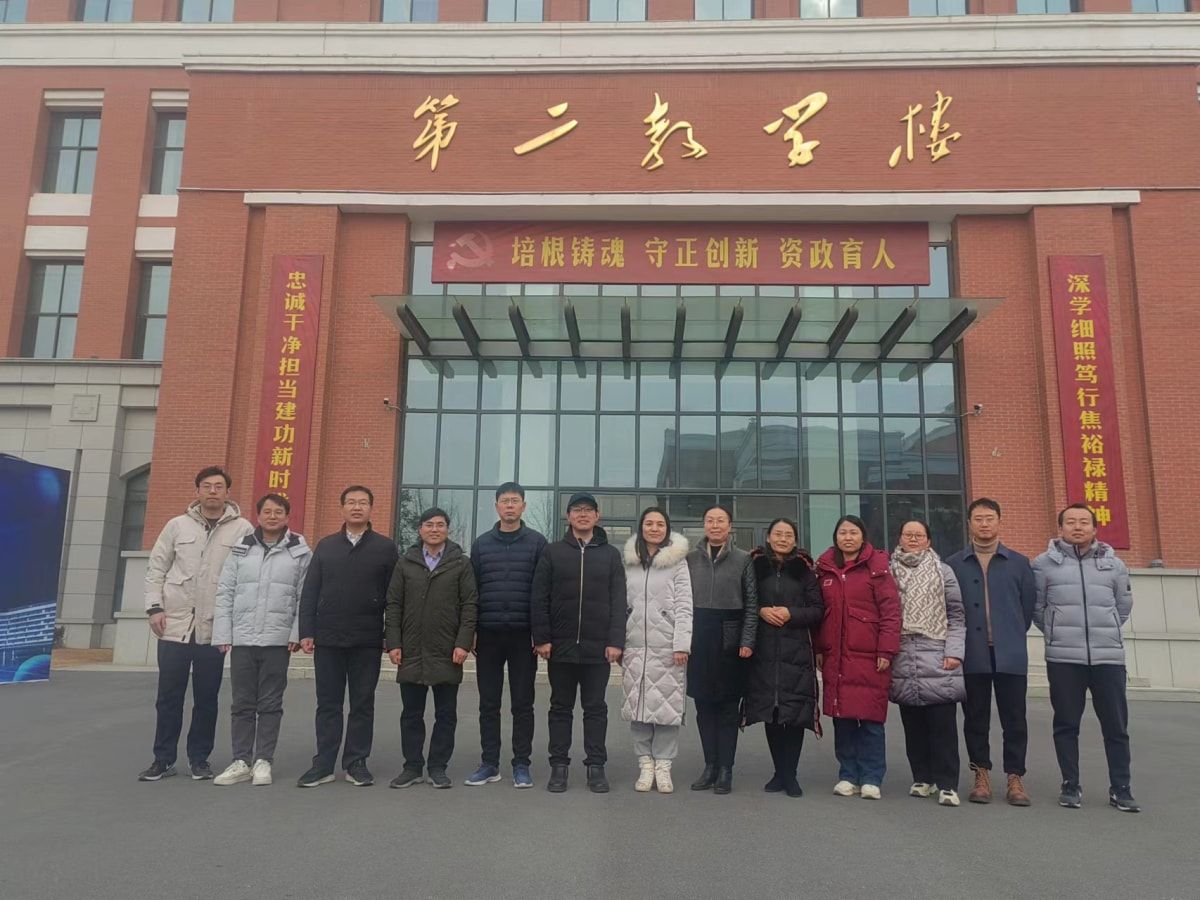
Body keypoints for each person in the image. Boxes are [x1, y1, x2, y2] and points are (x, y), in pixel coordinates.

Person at [138, 466, 253, 782]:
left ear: (227, 492)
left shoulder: (242, 529)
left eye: (219, 486)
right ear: (198, 491)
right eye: (207, 486)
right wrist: (154, 608)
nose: (213, 491)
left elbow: (246, 576)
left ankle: (200, 759)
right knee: (168, 697)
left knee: (207, 698)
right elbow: (156, 568)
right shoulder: (176, 526)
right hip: (174, 624)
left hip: (213, 627)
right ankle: (163, 759)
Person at [1033, 503, 1139, 813]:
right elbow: (1037, 608)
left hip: (1108, 657)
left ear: (1094, 528)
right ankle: (1070, 784)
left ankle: (1121, 788)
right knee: (1066, 724)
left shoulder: (1114, 565)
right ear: (1060, 529)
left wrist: (1105, 629)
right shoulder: (1043, 565)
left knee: (1116, 727)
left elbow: (1123, 606)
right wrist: (1056, 632)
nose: (1077, 527)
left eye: (1083, 522)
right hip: (1064, 658)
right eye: (1070, 522)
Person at [296, 485, 399, 789]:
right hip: (328, 638)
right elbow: (310, 591)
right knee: (328, 703)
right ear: (342, 508)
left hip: (367, 639)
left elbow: (395, 597)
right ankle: (324, 764)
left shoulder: (385, 548)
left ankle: (356, 762)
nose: (356, 507)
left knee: (362, 703)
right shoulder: (326, 546)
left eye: (362, 502)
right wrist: (306, 631)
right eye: (351, 502)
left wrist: (391, 636)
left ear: (371, 509)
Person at [211, 493, 311, 787]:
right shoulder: (241, 548)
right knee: (242, 703)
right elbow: (225, 591)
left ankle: (263, 760)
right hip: (243, 638)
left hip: (278, 640)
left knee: (270, 703)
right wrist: (223, 633)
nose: (272, 516)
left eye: (278, 511)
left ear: (287, 517)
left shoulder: (300, 550)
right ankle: (241, 760)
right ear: (258, 516)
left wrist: (296, 633)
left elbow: (304, 596)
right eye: (267, 511)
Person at [531, 492, 626, 794]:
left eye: (588, 510)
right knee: (560, 708)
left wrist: (616, 641)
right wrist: (542, 638)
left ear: (597, 516)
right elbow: (539, 598)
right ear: (568, 516)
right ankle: (559, 766)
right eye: (576, 510)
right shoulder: (552, 552)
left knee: (595, 708)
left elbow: (619, 600)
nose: (582, 514)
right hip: (560, 647)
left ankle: (596, 766)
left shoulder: (610, 555)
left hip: (598, 649)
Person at [946, 498, 1037, 806]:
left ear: (999, 521)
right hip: (972, 653)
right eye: (978, 519)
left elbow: (1027, 609)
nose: (984, 524)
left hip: (1010, 653)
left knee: (1015, 719)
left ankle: (1015, 777)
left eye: (989, 518)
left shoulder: (1019, 563)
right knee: (975, 718)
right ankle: (981, 774)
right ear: (969, 523)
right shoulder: (955, 564)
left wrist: (1009, 632)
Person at [385, 507, 478, 789]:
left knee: (445, 714)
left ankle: (438, 767)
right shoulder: (405, 563)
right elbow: (394, 604)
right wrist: (393, 642)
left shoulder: (460, 563)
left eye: (440, 525)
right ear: (420, 530)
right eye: (429, 525)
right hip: (411, 649)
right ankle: (412, 766)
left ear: (447, 530)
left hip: (447, 650)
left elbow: (470, 605)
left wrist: (463, 642)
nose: (434, 529)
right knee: (411, 714)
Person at [465, 482, 547, 789]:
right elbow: (471, 592)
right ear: (496, 506)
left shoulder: (537, 543)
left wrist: (540, 633)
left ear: (523, 506)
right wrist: (471, 631)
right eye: (504, 501)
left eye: (515, 501)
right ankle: (489, 763)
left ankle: (521, 764)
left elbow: (542, 592)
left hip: (523, 636)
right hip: (488, 635)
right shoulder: (481, 544)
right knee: (489, 703)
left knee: (523, 703)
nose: (510, 506)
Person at [814, 515, 900, 800]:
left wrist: (886, 650)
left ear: (863, 537)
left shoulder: (877, 568)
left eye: (853, 532)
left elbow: (891, 612)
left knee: (871, 720)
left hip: (870, 656)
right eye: (843, 533)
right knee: (843, 719)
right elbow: (819, 616)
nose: (848, 537)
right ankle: (848, 774)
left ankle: (872, 777)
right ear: (835, 537)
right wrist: (818, 649)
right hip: (836, 657)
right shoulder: (825, 570)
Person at [743, 518, 824, 799]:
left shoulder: (805, 570)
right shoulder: (755, 567)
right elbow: (744, 601)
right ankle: (779, 772)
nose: (783, 538)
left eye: (788, 535)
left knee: (794, 713)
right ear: (768, 537)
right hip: (763, 650)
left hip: (796, 651)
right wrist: (761, 611)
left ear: (795, 540)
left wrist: (791, 614)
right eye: (778, 534)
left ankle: (790, 774)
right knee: (773, 713)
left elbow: (817, 609)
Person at [889, 520, 967, 807]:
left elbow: (956, 614)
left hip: (937, 652)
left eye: (919, 535)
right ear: (900, 538)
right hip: (902, 652)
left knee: (942, 723)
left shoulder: (943, 571)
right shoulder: (888, 571)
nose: (913, 539)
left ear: (928, 541)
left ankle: (947, 784)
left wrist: (955, 652)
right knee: (913, 723)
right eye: (908, 534)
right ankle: (922, 777)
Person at [685, 504, 758, 795]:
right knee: (703, 707)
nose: (715, 525)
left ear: (730, 526)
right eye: (710, 520)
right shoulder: (690, 558)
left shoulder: (743, 559)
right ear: (704, 525)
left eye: (721, 521)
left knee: (728, 708)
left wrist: (747, 641)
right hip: (699, 638)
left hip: (731, 639)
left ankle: (726, 768)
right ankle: (710, 766)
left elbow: (752, 605)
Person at [620, 507, 693, 794]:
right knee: (637, 708)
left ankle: (663, 765)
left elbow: (685, 606)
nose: (654, 528)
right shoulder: (630, 561)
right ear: (641, 527)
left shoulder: (677, 563)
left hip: (668, 648)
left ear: (667, 528)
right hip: (635, 646)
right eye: (649, 523)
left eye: (659, 524)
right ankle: (645, 764)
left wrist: (682, 644)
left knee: (666, 709)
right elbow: (620, 604)